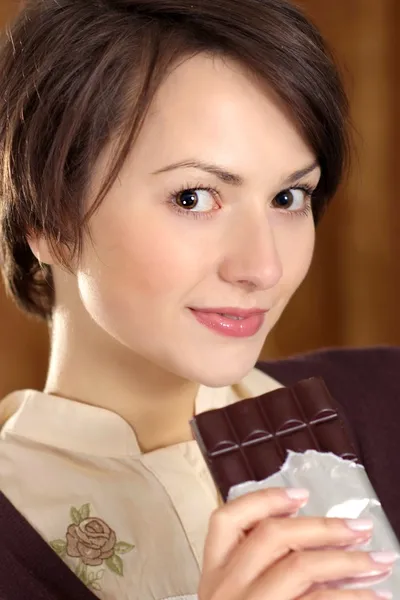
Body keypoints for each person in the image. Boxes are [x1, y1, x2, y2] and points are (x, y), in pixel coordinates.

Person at [0, 0, 398, 598]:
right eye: (194, 197)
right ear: (48, 221)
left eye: (289, 198)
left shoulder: (386, 401)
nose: (263, 268)